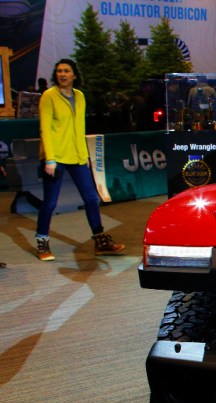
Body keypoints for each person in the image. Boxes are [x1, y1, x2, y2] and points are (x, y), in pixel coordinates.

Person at [35, 58, 125, 261]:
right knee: (50, 203)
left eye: (66, 71)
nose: (62, 74)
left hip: (77, 156)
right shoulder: (49, 96)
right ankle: (42, 241)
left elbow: (80, 128)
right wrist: (49, 159)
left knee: (92, 198)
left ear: (74, 75)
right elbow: (45, 129)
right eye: (59, 71)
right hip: (55, 157)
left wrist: (84, 156)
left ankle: (100, 242)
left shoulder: (80, 96)